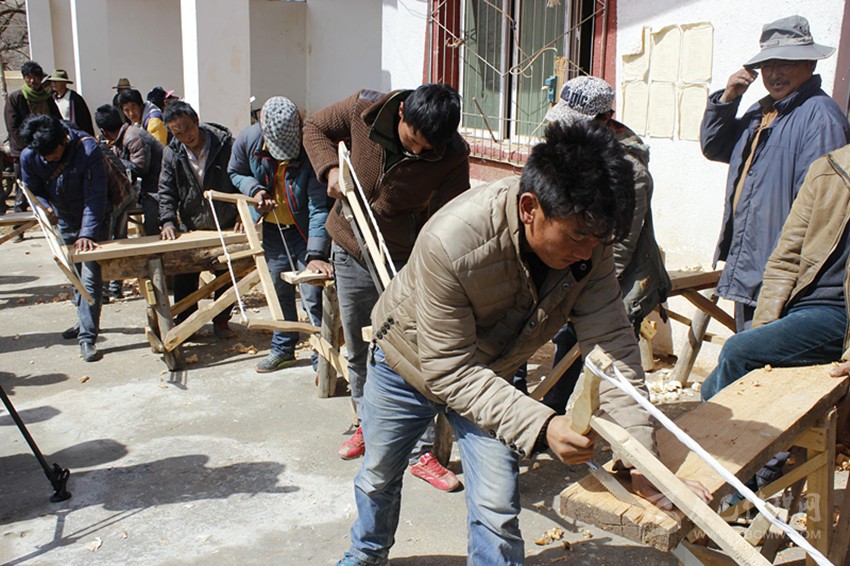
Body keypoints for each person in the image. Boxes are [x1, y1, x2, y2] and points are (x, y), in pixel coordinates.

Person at [337, 122, 710, 565]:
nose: (587, 253)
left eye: (597, 241)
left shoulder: (589, 240)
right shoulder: (452, 240)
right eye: (577, 237)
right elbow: (449, 371)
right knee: (379, 475)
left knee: (496, 506)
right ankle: (366, 553)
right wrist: (545, 426)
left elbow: (611, 344)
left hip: (488, 375)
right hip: (407, 362)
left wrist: (641, 461)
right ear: (530, 207)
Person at [303, 84, 470, 490]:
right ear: (401, 113)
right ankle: (368, 424)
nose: (417, 151)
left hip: (404, 258)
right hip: (350, 244)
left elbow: (453, 213)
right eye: (413, 140)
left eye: (427, 149)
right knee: (359, 347)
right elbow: (313, 128)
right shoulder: (363, 110)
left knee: (411, 351)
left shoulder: (452, 154)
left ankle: (421, 450)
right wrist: (330, 170)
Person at [520, 76, 671, 413]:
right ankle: (551, 413)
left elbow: (619, 246)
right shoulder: (573, 152)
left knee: (599, 357)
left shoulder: (630, 172)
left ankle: (574, 416)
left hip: (611, 281)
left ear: (605, 120)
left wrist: (584, 290)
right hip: (570, 266)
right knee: (558, 340)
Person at [700, 15, 850, 331]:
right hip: (751, 263)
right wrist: (728, 99)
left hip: (781, 278)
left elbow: (819, 214)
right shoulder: (764, 111)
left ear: (810, 64)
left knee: (759, 355)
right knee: (748, 350)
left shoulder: (821, 119)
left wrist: (786, 279)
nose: (774, 73)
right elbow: (715, 147)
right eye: (767, 64)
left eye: (785, 63)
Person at [702, 143, 850, 402]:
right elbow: (785, 258)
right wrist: (764, 325)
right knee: (722, 374)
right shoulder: (828, 168)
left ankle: (725, 428)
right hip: (803, 308)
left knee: (737, 351)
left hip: (839, 315)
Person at [229, 96, 332, 373]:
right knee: (278, 290)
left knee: (313, 293)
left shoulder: (310, 149)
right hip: (274, 230)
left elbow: (319, 207)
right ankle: (283, 349)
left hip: (305, 232)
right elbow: (236, 172)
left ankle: (322, 356)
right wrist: (255, 190)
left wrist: (316, 253)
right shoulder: (248, 141)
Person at [19, 114, 107, 362]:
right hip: (63, 217)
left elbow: (95, 196)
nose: (48, 159)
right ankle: (83, 321)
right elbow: (32, 190)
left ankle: (87, 337)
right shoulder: (30, 156)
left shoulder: (87, 149)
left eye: (52, 154)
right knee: (74, 275)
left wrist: (87, 233)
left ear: (63, 140)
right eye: (43, 156)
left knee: (90, 277)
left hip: (95, 217)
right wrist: (45, 207)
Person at [158, 101, 240, 338]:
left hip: (225, 222)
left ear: (196, 120)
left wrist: (242, 213)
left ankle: (222, 321)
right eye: (177, 133)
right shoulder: (172, 154)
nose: (186, 136)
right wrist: (168, 221)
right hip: (192, 225)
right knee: (185, 273)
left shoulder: (226, 146)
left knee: (226, 274)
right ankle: (187, 323)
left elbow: (241, 178)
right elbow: (166, 191)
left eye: (187, 128)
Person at [94, 104, 163, 236]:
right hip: (148, 185)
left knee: (151, 227)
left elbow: (140, 168)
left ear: (103, 131)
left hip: (157, 186)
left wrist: (112, 158)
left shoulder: (133, 137)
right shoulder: (122, 138)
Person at [4, 60, 61, 216]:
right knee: (23, 188)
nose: (32, 80)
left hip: (47, 149)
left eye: (35, 77)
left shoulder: (47, 98)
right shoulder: (16, 97)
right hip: (24, 150)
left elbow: (57, 121)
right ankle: (19, 221)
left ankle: (51, 216)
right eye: (28, 77)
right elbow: (13, 127)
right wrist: (29, 147)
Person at [45, 69, 94, 135]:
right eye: (52, 81)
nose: (53, 84)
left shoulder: (75, 99)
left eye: (56, 81)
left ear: (64, 82)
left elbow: (84, 121)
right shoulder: (52, 98)